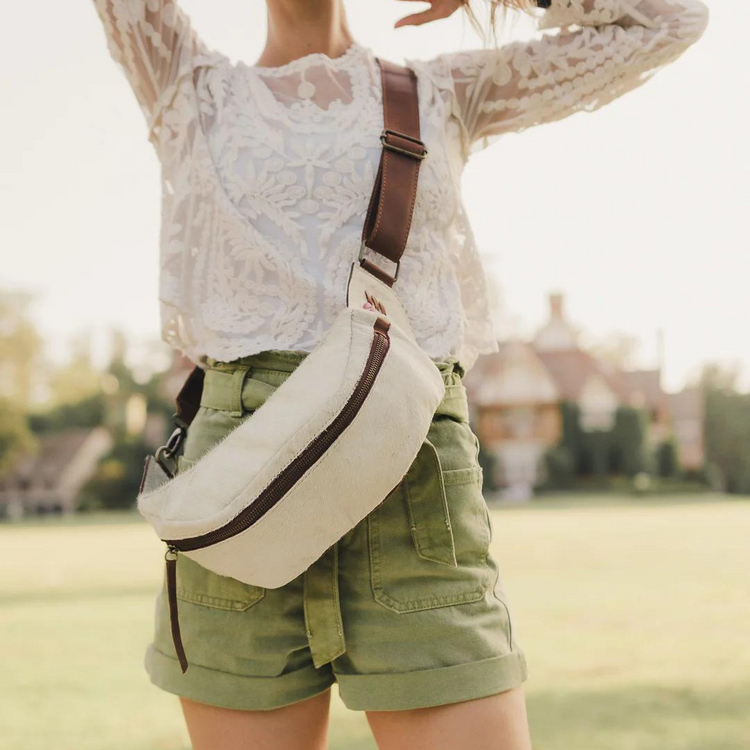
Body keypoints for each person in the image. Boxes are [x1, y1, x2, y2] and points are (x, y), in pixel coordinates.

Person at [90, 0, 708, 748]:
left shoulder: (445, 89)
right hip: (240, 493)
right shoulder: (185, 82)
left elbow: (670, 19)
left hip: (413, 488)